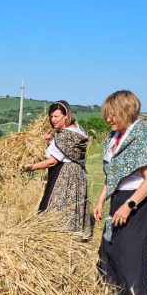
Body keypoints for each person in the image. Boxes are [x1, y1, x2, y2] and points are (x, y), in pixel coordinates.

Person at [93, 90, 147, 295]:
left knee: (130, 251)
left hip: (138, 202)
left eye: (113, 114)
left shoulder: (140, 137)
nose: (108, 119)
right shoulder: (115, 138)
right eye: (107, 114)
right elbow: (113, 176)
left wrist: (129, 206)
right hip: (120, 198)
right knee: (111, 247)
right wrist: (100, 202)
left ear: (126, 112)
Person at [22, 100, 93, 240]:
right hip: (77, 174)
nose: (53, 120)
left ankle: (56, 238)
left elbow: (52, 161)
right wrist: (52, 139)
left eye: (56, 116)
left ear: (66, 116)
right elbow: (67, 148)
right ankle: (75, 235)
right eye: (51, 116)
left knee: (55, 206)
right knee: (72, 205)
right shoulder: (78, 131)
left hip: (64, 175)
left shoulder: (63, 136)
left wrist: (30, 167)